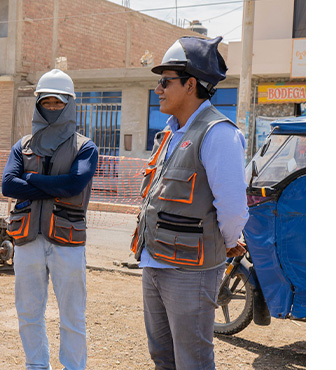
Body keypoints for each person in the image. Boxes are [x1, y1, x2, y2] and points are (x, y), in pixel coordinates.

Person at [131, 36, 249, 370]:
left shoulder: (218, 134)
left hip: (191, 271)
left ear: (191, 84)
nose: (158, 89)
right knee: (163, 358)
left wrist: (224, 244)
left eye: (165, 81)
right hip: (154, 263)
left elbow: (233, 208)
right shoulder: (169, 134)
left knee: (192, 361)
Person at [2, 69, 98, 370]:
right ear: (38, 105)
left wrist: (29, 179)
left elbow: (73, 186)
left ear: (69, 105)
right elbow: (7, 185)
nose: (52, 109)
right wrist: (51, 184)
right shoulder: (23, 144)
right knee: (28, 312)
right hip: (27, 241)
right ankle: (36, 366)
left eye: (58, 103)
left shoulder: (85, 147)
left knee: (72, 316)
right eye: (47, 103)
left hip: (67, 243)